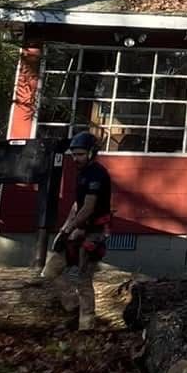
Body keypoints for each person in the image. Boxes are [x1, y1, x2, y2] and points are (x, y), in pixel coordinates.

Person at [41, 130, 111, 330]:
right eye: (74, 154)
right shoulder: (82, 174)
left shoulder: (98, 174)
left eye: (80, 154)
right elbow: (77, 205)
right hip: (75, 231)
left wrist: (72, 228)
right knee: (50, 272)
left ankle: (86, 327)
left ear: (91, 153)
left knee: (83, 279)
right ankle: (71, 303)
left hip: (93, 233)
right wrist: (64, 231)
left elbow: (88, 208)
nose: (76, 158)